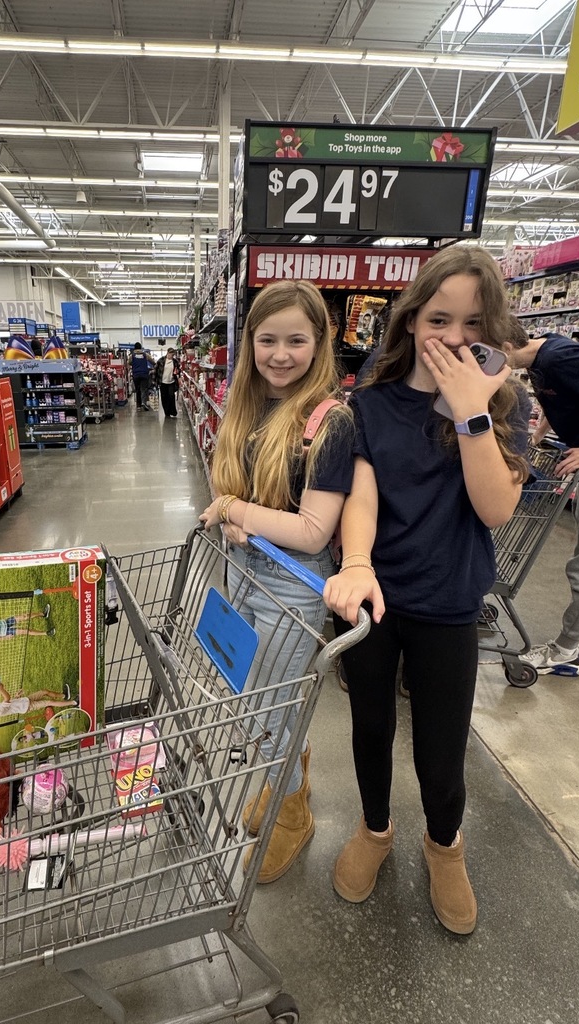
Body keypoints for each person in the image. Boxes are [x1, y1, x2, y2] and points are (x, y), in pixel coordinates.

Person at [323, 246, 530, 935]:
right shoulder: (369, 405)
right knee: (371, 728)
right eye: (440, 317)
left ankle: (446, 846)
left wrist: (473, 411)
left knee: (442, 750)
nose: (455, 337)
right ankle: (376, 828)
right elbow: (362, 497)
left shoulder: (505, 404)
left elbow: (495, 507)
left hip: (448, 604)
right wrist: (355, 562)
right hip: (375, 601)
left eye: (474, 323)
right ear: (411, 320)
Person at [199, 279, 354, 883]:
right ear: (250, 341)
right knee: (259, 699)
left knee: (263, 709)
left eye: (296, 339)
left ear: (320, 341)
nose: (281, 354)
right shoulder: (248, 404)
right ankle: (289, 774)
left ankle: (294, 814)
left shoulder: (330, 421)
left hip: (294, 582)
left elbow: (314, 531)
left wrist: (236, 512)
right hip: (244, 569)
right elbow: (231, 481)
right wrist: (239, 512)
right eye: (268, 339)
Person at [504, 325, 579, 676]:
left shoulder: (561, 358)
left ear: (506, 344)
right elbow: (561, 399)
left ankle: (566, 649)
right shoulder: (541, 361)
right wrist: (538, 433)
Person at [0, 682, 77, 726]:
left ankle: (64, 696)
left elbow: (10, 701)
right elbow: (6, 698)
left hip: (25, 700)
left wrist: (17, 696)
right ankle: (74, 702)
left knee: (44, 691)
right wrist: (1, 689)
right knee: (49, 702)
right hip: (28, 706)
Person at [155, 347, 180, 418]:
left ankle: (173, 411)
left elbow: (178, 370)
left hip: (171, 382)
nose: (172, 356)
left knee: (171, 396)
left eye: (173, 355)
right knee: (164, 397)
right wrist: (155, 381)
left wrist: (178, 374)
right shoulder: (161, 360)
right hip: (162, 382)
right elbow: (155, 370)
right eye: (171, 354)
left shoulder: (175, 362)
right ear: (168, 353)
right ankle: (167, 412)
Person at [130, 342, 155, 410]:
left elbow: (129, 363)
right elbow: (153, 362)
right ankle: (144, 402)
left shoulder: (132, 356)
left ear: (134, 348)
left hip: (136, 375)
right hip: (144, 374)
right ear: (141, 347)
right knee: (144, 389)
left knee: (138, 390)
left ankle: (138, 406)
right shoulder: (145, 355)